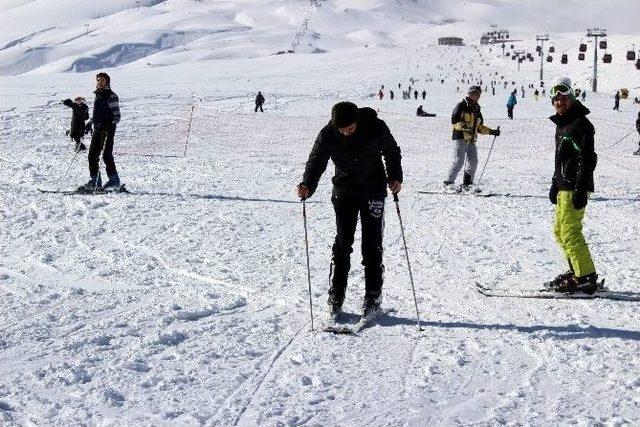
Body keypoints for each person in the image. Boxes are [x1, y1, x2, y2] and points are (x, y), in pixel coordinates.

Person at [296, 101, 403, 319]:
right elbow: (316, 161)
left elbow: (392, 152)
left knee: (372, 245)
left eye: (350, 128)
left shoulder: (375, 126)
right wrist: (307, 184)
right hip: (344, 190)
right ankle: (336, 295)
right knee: (343, 243)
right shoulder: (327, 134)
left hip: (373, 189)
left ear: (357, 121)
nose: (346, 132)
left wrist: (394, 177)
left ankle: (373, 297)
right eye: (342, 129)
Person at [546, 76, 599, 294]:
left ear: (572, 97)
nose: (560, 102)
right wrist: (554, 181)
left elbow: (588, 159)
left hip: (574, 186)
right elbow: (563, 158)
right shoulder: (564, 123)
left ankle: (585, 277)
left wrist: (580, 188)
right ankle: (577, 270)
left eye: (564, 97)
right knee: (559, 231)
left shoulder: (580, 124)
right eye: (556, 99)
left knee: (570, 231)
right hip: (564, 185)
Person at [443, 86, 500, 192]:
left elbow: (479, 127)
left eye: (479, 94)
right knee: (459, 161)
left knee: (473, 162)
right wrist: (464, 127)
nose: (478, 96)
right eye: (476, 94)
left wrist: (492, 132)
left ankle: (467, 184)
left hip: (471, 139)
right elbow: (454, 122)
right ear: (470, 94)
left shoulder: (477, 108)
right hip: (460, 138)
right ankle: (448, 183)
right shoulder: (461, 105)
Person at [79, 72, 121, 191]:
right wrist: (90, 122)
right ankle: (96, 182)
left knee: (106, 155)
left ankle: (114, 181)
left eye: (102, 80)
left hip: (108, 129)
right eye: (98, 80)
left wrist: (110, 122)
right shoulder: (98, 94)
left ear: (107, 82)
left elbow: (117, 116)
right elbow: (97, 114)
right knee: (92, 155)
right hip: (98, 128)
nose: (100, 82)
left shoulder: (111, 95)